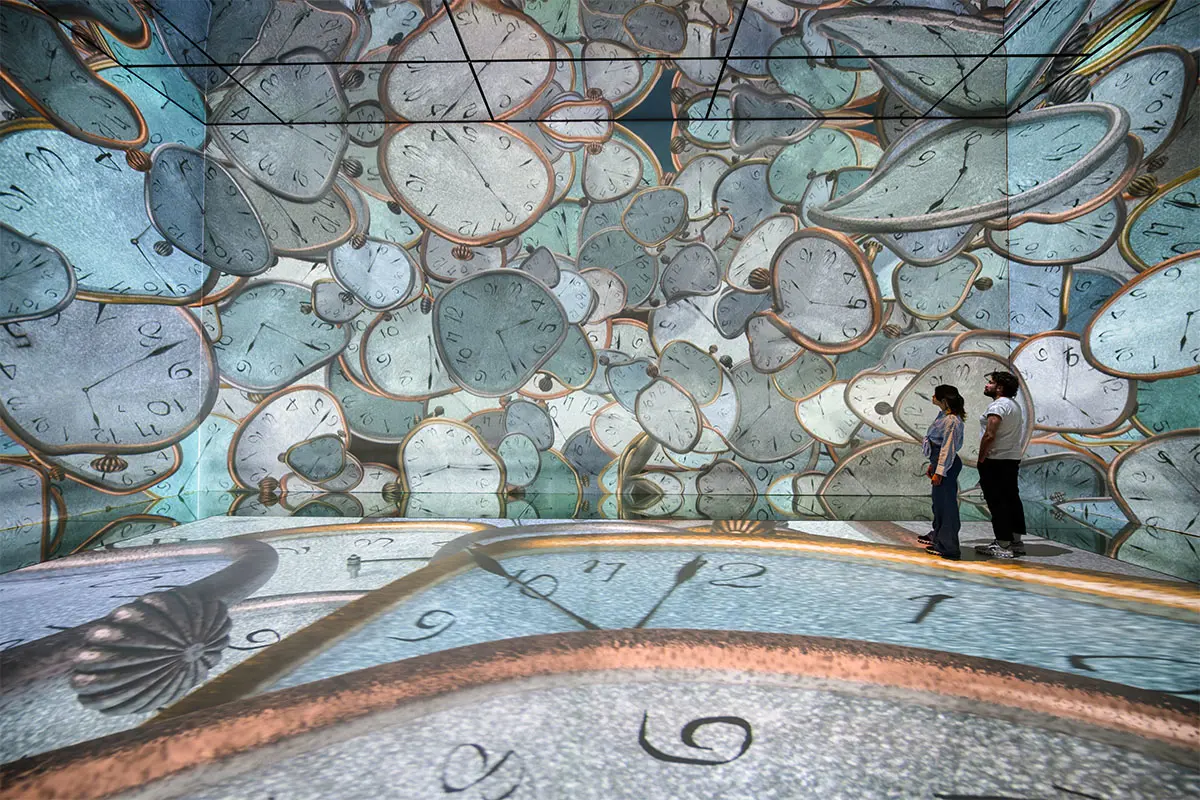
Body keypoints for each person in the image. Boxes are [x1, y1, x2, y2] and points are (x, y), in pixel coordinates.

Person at [974, 371, 1027, 558]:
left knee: (997, 501)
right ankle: (1016, 541)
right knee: (1012, 498)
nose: (987, 385)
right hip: (1011, 458)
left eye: (991, 382)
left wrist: (981, 458)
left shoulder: (998, 406)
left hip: (995, 460)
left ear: (1000, 388)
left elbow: (990, 434)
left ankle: (1002, 544)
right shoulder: (1014, 405)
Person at [918, 384, 965, 560]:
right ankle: (939, 537)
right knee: (939, 504)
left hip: (947, 465)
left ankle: (949, 546)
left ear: (943, 400)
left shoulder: (951, 420)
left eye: (935, 395)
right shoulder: (943, 416)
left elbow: (947, 448)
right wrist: (934, 465)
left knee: (946, 505)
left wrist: (940, 470)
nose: (932, 397)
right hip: (939, 462)